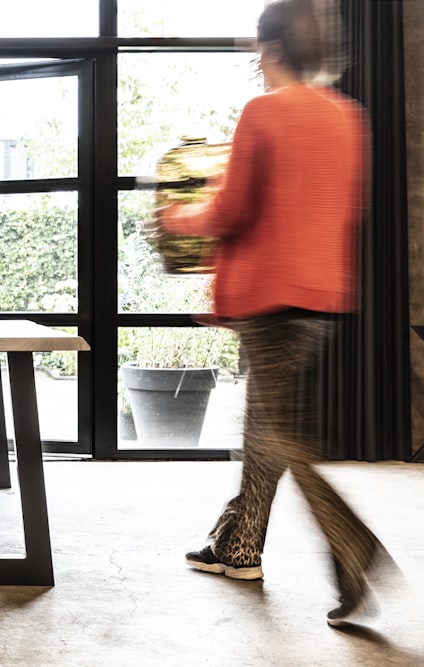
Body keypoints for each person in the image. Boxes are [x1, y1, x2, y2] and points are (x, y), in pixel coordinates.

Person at [156, 0, 395, 626]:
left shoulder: (265, 113)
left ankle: (356, 547)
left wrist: (177, 216)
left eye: (259, 49)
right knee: (265, 427)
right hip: (321, 298)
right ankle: (238, 547)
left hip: (268, 298)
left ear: (276, 49)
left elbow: (231, 211)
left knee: (282, 434)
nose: (256, 61)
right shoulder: (350, 118)